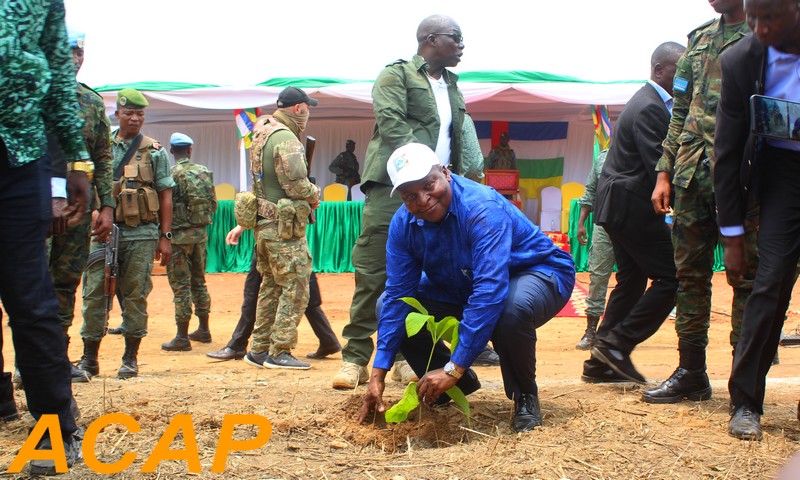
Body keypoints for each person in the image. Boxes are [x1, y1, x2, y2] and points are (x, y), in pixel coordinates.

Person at [357, 143, 575, 432]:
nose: (422, 199)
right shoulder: (403, 225)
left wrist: (453, 368)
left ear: (445, 173)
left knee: (510, 309)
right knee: (389, 303)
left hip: (537, 272)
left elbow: (490, 291)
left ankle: (525, 396)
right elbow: (399, 295)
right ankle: (450, 385)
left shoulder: (481, 208)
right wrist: (377, 375)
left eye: (428, 184)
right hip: (463, 282)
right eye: (410, 195)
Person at [332, 14, 493, 390]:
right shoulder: (396, 75)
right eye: (456, 38)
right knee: (374, 271)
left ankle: (404, 357)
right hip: (394, 187)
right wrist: (424, 166)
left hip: (438, 192)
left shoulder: (453, 85)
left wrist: (463, 178)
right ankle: (354, 357)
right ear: (431, 39)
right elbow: (391, 124)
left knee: (419, 276)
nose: (462, 45)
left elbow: (460, 136)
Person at [0, 0, 91, 473]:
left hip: (17, 158)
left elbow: (57, 71)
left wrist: (76, 159)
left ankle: (55, 429)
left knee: (31, 302)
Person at [648, 0, 752, 405]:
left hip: (743, 176)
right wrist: (663, 172)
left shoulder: (767, 38)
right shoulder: (700, 39)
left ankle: (745, 384)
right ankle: (692, 373)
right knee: (689, 275)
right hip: (691, 174)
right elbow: (680, 112)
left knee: (745, 278)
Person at [714, 0, 800, 441]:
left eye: (771, 18)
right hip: (783, 175)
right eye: (753, 18)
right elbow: (726, 152)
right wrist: (731, 234)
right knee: (769, 283)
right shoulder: (741, 60)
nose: (760, 28)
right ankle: (745, 402)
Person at [588, 42, 684, 384]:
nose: (685, 76)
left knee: (631, 280)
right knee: (672, 278)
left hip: (620, 206)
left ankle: (599, 363)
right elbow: (659, 164)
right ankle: (617, 344)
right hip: (632, 207)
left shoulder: (650, 101)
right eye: (679, 69)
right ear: (660, 70)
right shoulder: (651, 107)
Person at [75, 88, 175, 380]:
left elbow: (165, 195)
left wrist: (165, 237)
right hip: (101, 232)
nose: (134, 118)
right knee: (94, 293)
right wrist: (95, 216)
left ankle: (130, 358)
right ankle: (89, 359)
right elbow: (86, 184)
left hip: (141, 233)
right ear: (116, 114)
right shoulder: (101, 145)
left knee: (135, 295)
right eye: (129, 113)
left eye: (140, 113)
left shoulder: (154, 151)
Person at [44, 29, 115, 383]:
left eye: (79, 53)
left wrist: (107, 208)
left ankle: (56, 359)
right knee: (31, 284)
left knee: (66, 282)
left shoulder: (90, 102)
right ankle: (32, 360)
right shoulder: (30, 94)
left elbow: (103, 157)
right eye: (67, 51)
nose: (74, 58)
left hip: (77, 208)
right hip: (34, 208)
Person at [242, 86, 320, 370]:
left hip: (264, 225)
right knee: (297, 287)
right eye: (307, 107)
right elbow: (296, 184)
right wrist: (315, 194)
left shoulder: (261, 133)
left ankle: (259, 349)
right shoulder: (286, 138)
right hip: (283, 229)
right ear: (298, 108)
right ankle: (280, 351)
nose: (308, 113)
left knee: (271, 287)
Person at [206, 225, 341, 360]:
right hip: (289, 241)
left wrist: (241, 226)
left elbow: (254, 205)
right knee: (301, 290)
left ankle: (238, 344)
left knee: (255, 293)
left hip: (274, 240)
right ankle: (327, 339)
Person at [161, 133, 217, 352]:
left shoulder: (170, 174)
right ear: (190, 150)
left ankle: (182, 337)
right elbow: (213, 203)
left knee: (181, 286)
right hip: (200, 235)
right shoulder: (203, 171)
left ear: (172, 151)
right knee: (199, 282)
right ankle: (204, 329)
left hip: (178, 238)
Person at [574, 149, 615, 352]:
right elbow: (590, 191)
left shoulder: (639, 151)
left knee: (630, 279)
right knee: (598, 276)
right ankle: (591, 331)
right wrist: (581, 223)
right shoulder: (602, 158)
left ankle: (616, 330)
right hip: (603, 225)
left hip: (633, 226)